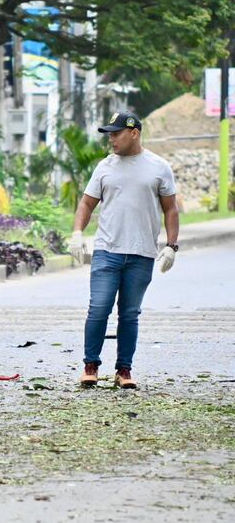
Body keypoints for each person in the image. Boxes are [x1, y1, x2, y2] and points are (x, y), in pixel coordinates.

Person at [69, 111, 179, 389]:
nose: (111, 139)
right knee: (98, 309)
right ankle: (90, 365)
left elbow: (170, 208)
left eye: (116, 134)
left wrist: (171, 246)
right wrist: (78, 233)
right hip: (107, 251)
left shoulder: (158, 166)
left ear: (134, 133)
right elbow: (86, 204)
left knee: (130, 313)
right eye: (109, 134)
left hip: (142, 254)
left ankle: (124, 370)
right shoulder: (105, 167)